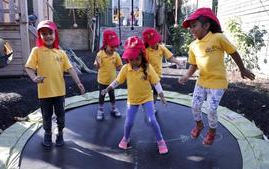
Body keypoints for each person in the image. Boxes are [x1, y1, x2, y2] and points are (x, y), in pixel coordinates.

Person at [179, 8, 255, 145]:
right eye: (190, 27)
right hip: (201, 81)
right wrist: (186, 76)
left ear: (206, 25)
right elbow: (194, 65)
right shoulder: (193, 45)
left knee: (211, 109)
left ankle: (212, 132)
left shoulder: (218, 38)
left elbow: (233, 52)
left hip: (218, 82)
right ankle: (199, 125)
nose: (191, 29)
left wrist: (242, 69)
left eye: (194, 25)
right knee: (195, 106)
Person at [101, 36, 168, 154]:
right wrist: (108, 89)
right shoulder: (126, 69)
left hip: (147, 98)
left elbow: (156, 82)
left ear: (142, 57)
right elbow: (117, 81)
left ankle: (160, 141)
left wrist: (161, 95)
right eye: (131, 59)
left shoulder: (147, 68)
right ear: (128, 58)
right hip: (132, 100)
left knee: (151, 119)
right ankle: (126, 138)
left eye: (137, 58)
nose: (134, 61)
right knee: (129, 122)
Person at [25, 20, 85, 147]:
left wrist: (78, 83)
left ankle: (60, 133)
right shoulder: (37, 51)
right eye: (44, 34)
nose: (47, 36)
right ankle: (47, 134)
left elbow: (70, 69)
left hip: (59, 92)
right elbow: (29, 68)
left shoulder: (61, 53)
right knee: (46, 116)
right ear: (40, 36)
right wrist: (34, 78)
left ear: (55, 34)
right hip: (44, 92)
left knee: (60, 115)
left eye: (50, 33)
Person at [142, 28, 183, 113]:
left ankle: (153, 104)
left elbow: (170, 57)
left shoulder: (161, 48)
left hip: (157, 75)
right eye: (151, 43)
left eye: (155, 41)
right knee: (147, 90)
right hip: (148, 74)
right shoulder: (146, 50)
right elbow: (142, 62)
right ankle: (147, 104)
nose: (154, 44)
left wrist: (178, 62)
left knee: (156, 91)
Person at [94, 29, 123, 121]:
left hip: (112, 81)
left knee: (112, 95)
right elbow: (97, 66)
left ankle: (113, 107)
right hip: (102, 80)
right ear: (105, 45)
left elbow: (119, 66)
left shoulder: (116, 55)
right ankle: (100, 110)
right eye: (111, 46)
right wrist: (97, 64)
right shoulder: (100, 54)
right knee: (101, 95)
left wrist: (123, 69)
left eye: (115, 46)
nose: (113, 48)